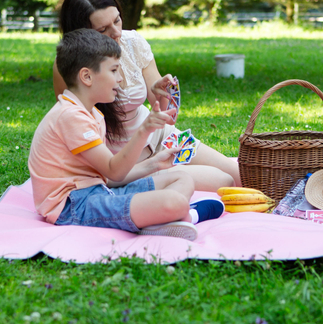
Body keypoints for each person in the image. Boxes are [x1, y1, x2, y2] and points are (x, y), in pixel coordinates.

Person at [29, 28, 225, 241]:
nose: (120, 79)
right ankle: (187, 215)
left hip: (98, 191)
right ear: (86, 76)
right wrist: (145, 129)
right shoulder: (71, 117)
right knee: (174, 202)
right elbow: (114, 171)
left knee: (182, 177)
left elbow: (107, 178)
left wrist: (155, 164)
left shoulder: (91, 112)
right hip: (73, 206)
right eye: (114, 70)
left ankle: (164, 218)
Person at [52, 0, 241, 191]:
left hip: (161, 137)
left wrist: (163, 93)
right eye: (103, 30)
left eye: (117, 20)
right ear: (83, 34)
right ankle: (161, 181)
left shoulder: (133, 42)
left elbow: (165, 114)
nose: (116, 33)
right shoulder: (71, 66)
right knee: (223, 182)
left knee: (238, 176)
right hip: (124, 162)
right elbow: (75, 126)